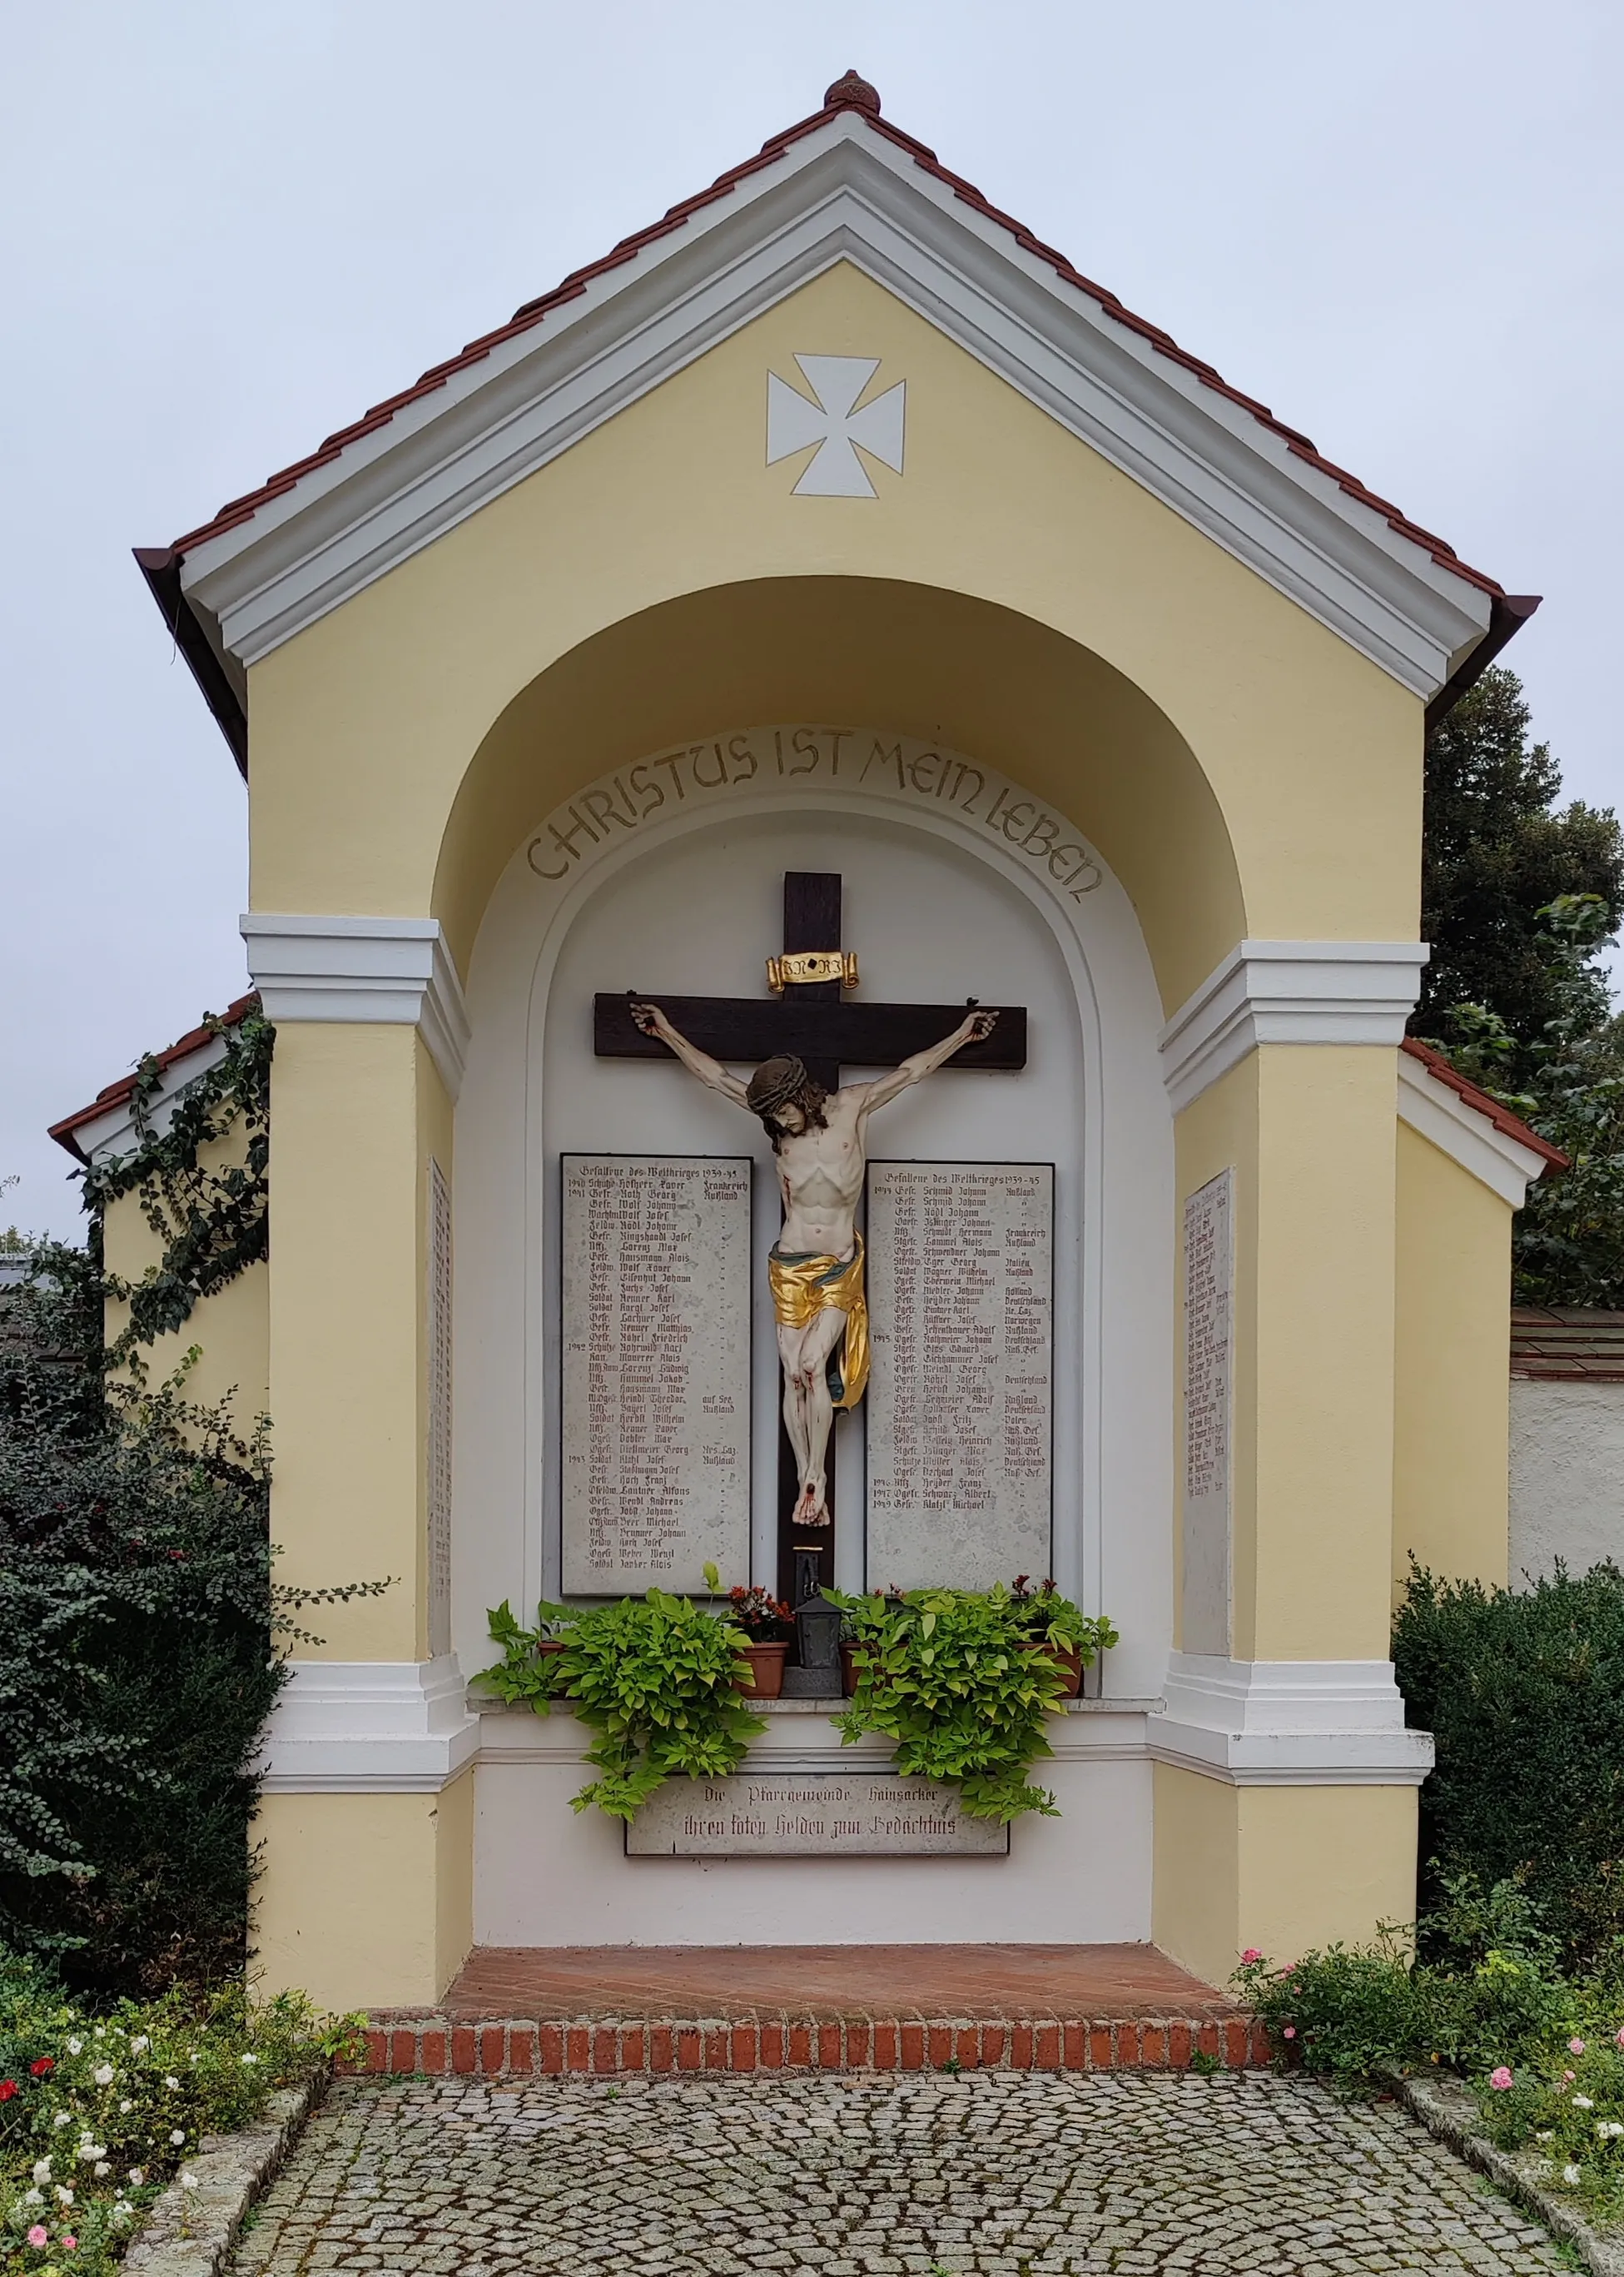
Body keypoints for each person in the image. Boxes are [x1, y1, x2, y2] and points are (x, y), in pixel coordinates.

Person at [628, 999, 997, 1525]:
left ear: (802, 1095)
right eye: (772, 1117)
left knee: (810, 1366)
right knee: (793, 1376)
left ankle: (815, 1473)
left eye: (784, 1110)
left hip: (839, 1260)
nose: (780, 1122)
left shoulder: (854, 1107)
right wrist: (666, 1031)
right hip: (789, 1261)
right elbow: (714, 1078)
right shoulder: (782, 1137)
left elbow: (912, 1073)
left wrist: (962, 1035)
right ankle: (807, 1475)